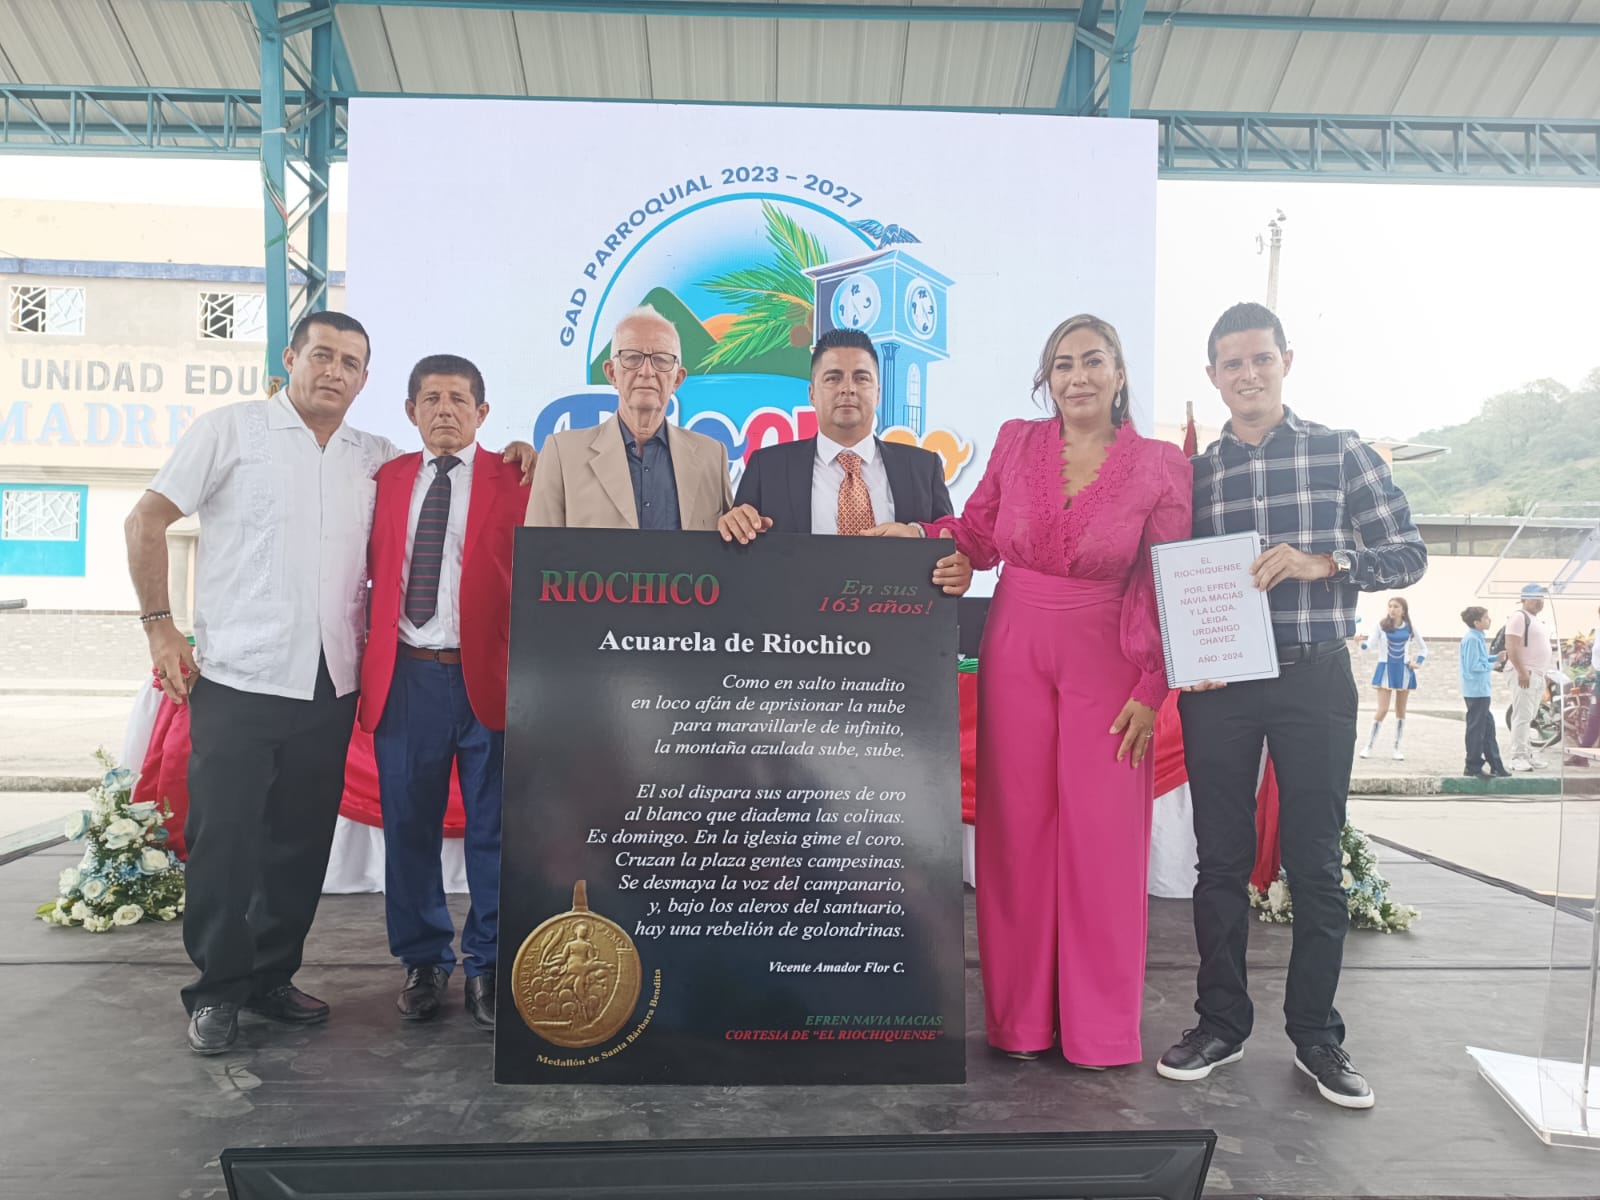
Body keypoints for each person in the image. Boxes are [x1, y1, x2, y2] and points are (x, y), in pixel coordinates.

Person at [125, 311, 536, 1056]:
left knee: (301, 843)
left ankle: (275, 976)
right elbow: (146, 519)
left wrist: (524, 452)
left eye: (349, 362)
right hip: (244, 677)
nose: (334, 371)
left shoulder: (373, 458)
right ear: (291, 359)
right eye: (322, 355)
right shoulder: (235, 432)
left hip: (334, 685)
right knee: (226, 842)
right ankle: (220, 990)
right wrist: (160, 625)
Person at [870, 313, 1192, 1068]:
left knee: (1102, 840)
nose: (1077, 376)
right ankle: (1018, 1023)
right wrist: (924, 541)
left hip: (1109, 660)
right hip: (1013, 645)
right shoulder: (1016, 441)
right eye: (1062, 364)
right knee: (1015, 836)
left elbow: (1168, 580)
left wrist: (1154, 685)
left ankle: (1099, 1031)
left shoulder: (1160, 465)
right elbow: (978, 536)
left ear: (1119, 374)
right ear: (1046, 379)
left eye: (1093, 361)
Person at [1160, 302, 1426, 1110]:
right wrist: (1186, 654)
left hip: (1315, 678)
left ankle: (1317, 1036)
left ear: (1286, 361)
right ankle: (1221, 1024)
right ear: (1212, 375)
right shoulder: (1194, 474)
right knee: (1219, 862)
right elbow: (1166, 581)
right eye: (1232, 363)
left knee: (1314, 863)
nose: (1248, 374)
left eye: (1261, 359)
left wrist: (1327, 562)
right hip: (1222, 690)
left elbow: (1408, 554)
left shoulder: (1340, 452)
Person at [359, 354, 530, 1031]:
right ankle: (424, 961)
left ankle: (487, 962)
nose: (445, 410)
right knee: (409, 828)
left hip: (490, 677)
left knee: (494, 830)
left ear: (482, 413)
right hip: (407, 677)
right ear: (411, 411)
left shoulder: (517, 475)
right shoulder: (386, 479)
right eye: (431, 398)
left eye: (459, 399)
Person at [715, 327, 972, 597]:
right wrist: (733, 526)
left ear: (878, 393)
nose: (848, 388)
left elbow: (948, 548)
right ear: (812, 394)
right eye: (833, 378)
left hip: (898, 619)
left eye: (861, 378)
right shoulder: (767, 468)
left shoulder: (923, 468)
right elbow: (739, 557)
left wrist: (958, 569)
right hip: (796, 620)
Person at [526, 305, 732, 529]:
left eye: (661, 360)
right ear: (611, 373)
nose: (646, 371)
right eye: (632, 358)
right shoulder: (562, 454)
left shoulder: (712, 456)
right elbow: (539, 548)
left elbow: (728, 541)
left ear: (678, 379)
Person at [1358, 596, 1425, 761]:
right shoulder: (1381, 626)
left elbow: (1423, 649)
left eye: (1396, 606)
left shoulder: (1410, 628)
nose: (1392, 609)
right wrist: (1360, 643)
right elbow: (1368, 645)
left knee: (1401, 710)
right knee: (1382, 709)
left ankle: (1397, 748)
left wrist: (1417, 662)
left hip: (1404, 671)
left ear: (1403, 610)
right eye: (1390, 606)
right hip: (1385, 669)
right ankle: (1368, 746)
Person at [1506, 582, 1553, 772]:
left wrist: (1543, 674)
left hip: (1537, 674)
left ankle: (1527, 754)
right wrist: (1522, 671)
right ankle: (1517, 757)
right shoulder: (1519, 617)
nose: (1539, 601)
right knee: (1522, 716)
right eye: (1535, 597)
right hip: (1525, 673)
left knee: (1529, 717)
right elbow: (1511, 645)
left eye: (1541, 598)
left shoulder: (1535, 620)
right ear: (1524, 599)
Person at [1459, 605, 1509, 780]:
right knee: (1477, 730)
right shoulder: (1472, 639)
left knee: (1488, 728)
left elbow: (1479, 658)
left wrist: (1495, 657)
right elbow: (1473, 665)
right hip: (1476, 691)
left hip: (1480, 690)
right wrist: (1493, 665)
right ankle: (1472, 766)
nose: (1489, 620)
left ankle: (1496, 765)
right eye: (1486, 618)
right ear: (1477, 622)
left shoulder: (1477, 637)